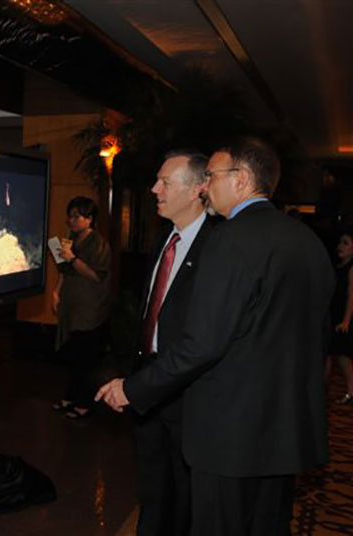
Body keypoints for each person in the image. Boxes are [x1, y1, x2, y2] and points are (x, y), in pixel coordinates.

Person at [96, 137, 335, 535]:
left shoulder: (228, 239)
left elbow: (203, 343)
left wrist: (133, 388)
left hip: (229, 434)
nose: (207, 185)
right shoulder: (307, 242)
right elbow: (313, 337)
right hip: (284, 428)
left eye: (212, 176)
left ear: (241, 180)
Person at [133, 149, 216, 536]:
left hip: (189, 391)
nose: (154, 189)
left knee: (186, 497)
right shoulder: (163, 238)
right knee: (151, 489)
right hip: (148, 384)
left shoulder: (219, 248)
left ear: (199, 188)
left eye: (165, 182)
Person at [51, 196, 111, 419]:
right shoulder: (72, 239)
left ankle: (85, 403)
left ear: (89, 219)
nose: (72, 221)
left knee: (86, 358)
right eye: (70, 216)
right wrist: (57, 292)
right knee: (74, 354)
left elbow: (96, 275)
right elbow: (65, 271)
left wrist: (73, 258)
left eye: (77, 216)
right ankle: (70, 395)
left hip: (90, 309)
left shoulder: (99, 244)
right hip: (72, 306)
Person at [327, 229, 353, 404]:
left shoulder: (352, 268)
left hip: (344, 317)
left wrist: (346, 320)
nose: (340, 246)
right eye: (340, 242)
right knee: (329, 353)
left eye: (346, 243)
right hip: (333, 314)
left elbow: (352, 295)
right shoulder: (338, 266)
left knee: (342, 356)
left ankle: (351, 390)